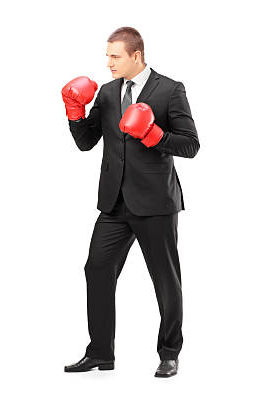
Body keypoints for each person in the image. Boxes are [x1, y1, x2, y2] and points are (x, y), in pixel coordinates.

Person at [61, 27, 199, 378]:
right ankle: (100, 353)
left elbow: (190, 145)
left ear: (136, 56)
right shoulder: (107, 93)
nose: (108, 63)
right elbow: (86, 142)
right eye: (107, 55)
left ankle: (169, 353)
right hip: (114, 202)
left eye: (115, 56)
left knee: (165, 280)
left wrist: (155, 135)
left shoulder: (169, 89)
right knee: (97, 269)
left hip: (155, 202)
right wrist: (74, 111)